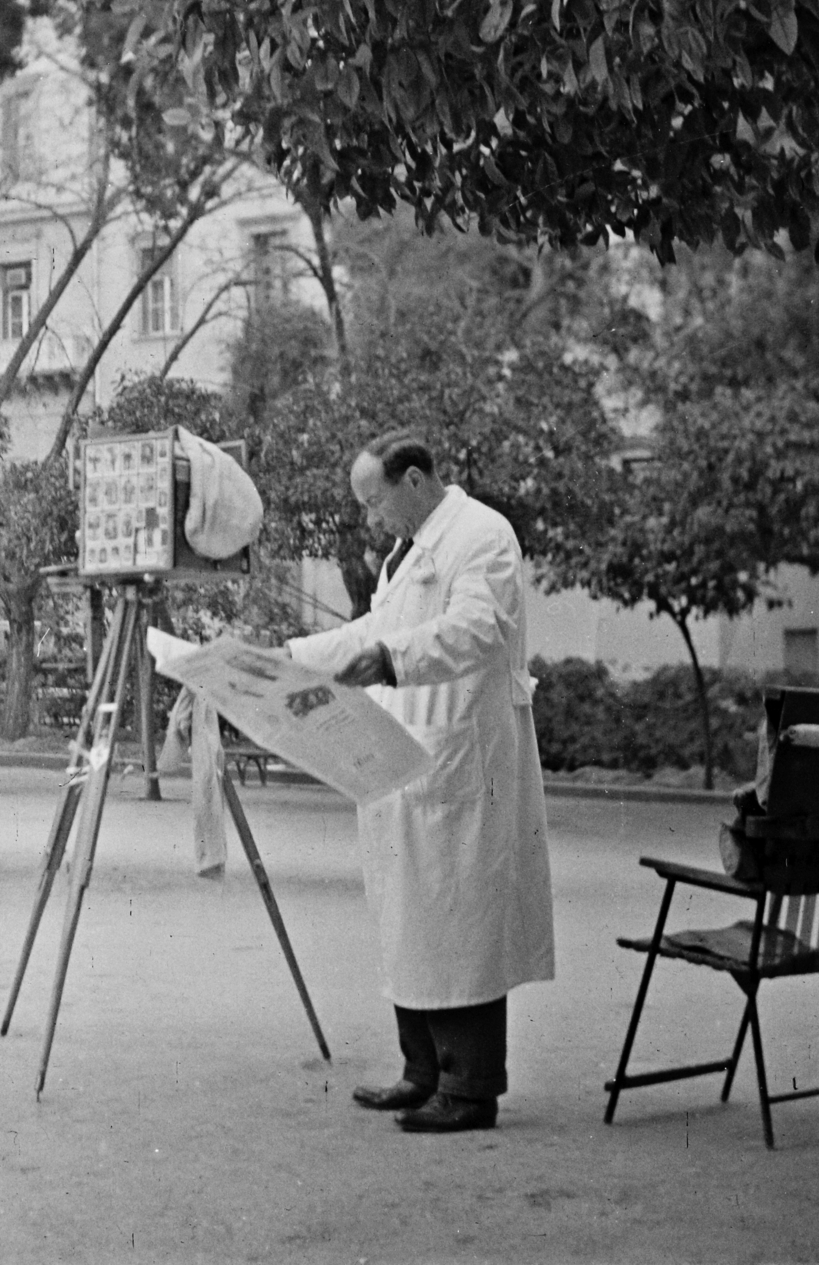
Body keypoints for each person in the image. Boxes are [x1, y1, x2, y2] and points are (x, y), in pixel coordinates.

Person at [286, 430, 555, 1133]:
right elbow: (376, 627)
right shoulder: (407, 552)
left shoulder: (483, 535)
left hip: (461, 749)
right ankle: (422, 1070)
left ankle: (470, 1090)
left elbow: (477, 630)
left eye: (376, 502)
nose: (372, 520)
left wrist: (389, 658)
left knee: (459, 919)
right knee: (412, 914)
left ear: (413, 480)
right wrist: (288, 657)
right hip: (406, 751)